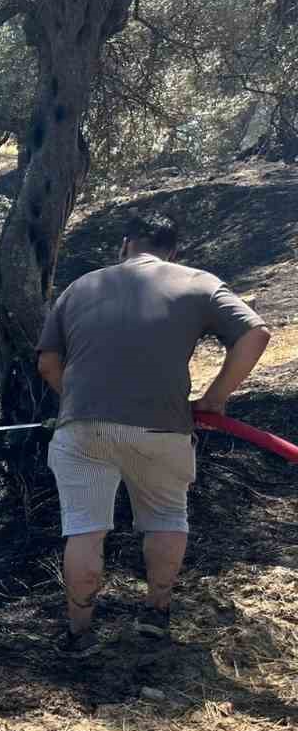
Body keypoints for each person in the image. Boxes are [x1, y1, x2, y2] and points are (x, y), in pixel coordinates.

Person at [36, 216, 271, 656]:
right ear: (173, 251)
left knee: (85, 531)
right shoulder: (198, 281)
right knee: (165, 516)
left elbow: (48, 364)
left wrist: (79, 402)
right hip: (165, 426)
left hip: (83, 428)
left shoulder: (81, 287)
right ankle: (155, 616)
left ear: (125, 245)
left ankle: (78, 634)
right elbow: (255, 334)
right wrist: (215, 397)